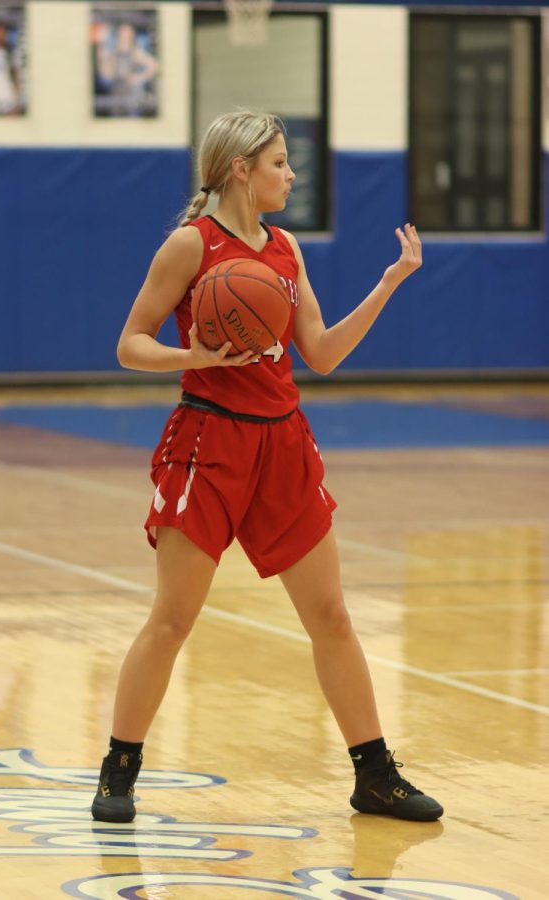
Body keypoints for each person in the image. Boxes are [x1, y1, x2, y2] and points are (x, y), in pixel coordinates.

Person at [91, 110, 443, 825]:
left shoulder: (285, 248)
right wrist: (195, 357)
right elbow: (130, 344)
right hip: (209, 442)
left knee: (332, 616)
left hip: (282, 442)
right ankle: (118, 771)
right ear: (240, 170)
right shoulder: (191, 246)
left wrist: (389, 284)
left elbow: (321, 353)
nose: (291, 173)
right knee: (174, 619)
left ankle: (374, 775)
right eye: (280, 162)